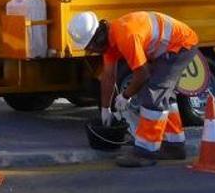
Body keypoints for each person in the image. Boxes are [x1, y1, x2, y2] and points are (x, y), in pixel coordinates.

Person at [83, 11, 199, 167]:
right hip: (170, 47)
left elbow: (142, 73)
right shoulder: (109, 41)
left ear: (98, 38)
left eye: (92, 48)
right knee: (164, 96)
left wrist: (125, 96)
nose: (94, 52)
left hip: (181, 45)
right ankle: (174, 146)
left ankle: (146, 152)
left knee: (153, 94)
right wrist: (105, 109)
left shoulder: (126, 35)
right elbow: (108, 76)